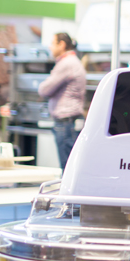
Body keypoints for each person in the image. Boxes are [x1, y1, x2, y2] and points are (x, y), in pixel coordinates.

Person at [37, 32, 86, 169]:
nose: (50, 47)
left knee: (67, 167)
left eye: (53, 43)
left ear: (62, 44)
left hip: (66, 124)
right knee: (70, 166)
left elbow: (44, 89)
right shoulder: (72, 61)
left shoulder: (67, 63)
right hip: (69, 123)